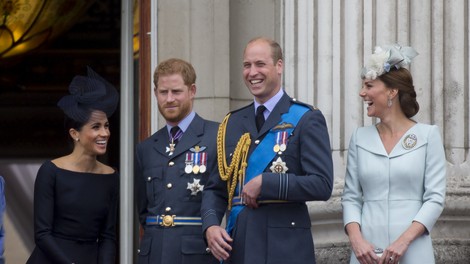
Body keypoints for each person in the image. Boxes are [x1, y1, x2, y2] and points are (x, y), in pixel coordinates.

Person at [201, 37, 334, 264]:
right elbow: (215, 188)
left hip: (285, 248)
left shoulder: (306, 118)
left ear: (279, 66)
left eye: (260, 64)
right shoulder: (231, 123)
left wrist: (268, 183)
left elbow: (322, 184)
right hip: (240, 246)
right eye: (247, 65)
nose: (252, 72)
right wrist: (211, 225)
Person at [341, 44, 446, 264]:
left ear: (392, 91)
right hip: (366, 253)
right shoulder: (360, 138)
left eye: (369, 85)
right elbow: (351, 197)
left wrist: (403, 242)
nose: (362, 93)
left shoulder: (428, 136)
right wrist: (357, 241)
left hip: (413, 250)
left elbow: (435, 198)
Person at [27, 67, 120, 264]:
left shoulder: (111, 176)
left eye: (106, 126)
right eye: (96, 127)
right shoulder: (51, 171)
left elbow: (108, 237)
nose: (104, 133)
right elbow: (42, 234)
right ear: (74, 133)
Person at [134, 58, 219, 264]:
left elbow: (221, 195)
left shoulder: (216, 136)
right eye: (163, 92)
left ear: (192, 91)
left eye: (176, 91)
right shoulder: (145, 148)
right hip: (153, 254)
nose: (169, 99)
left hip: (196, 254)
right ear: (155, 94)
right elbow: (144, 210)